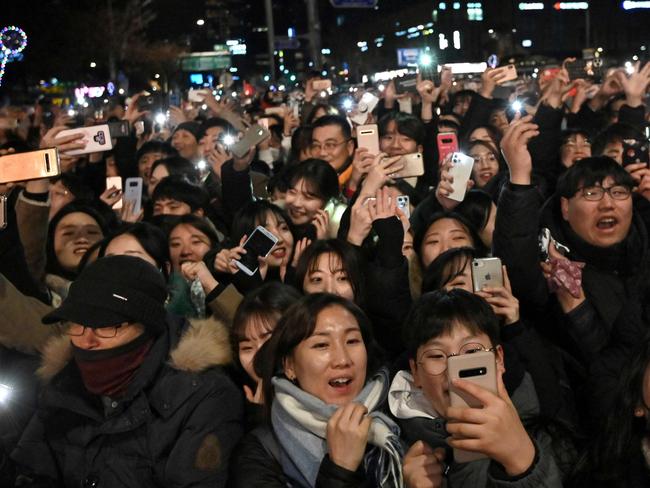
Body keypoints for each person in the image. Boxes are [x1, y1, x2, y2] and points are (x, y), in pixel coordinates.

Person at [9, 255, 242, 487]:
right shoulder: (65, 380)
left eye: (106, 327)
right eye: (79, 324)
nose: (87, 341)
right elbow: (31, 472)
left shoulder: (203, 395)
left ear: (146, 327)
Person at [394, 289, 564, 488]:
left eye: (472, 351)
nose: (453, 371)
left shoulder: (548, 435)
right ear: (415, 371)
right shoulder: (396, 449)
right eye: (436, 355)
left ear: (499, 359)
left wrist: (521, 459)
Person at [230, 293, 403, 487]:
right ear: (290, 366)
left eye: (352, 341)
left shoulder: (398, 418)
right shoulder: (258, 453)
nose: (343, 359)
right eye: (321, 345)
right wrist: (340, 470)